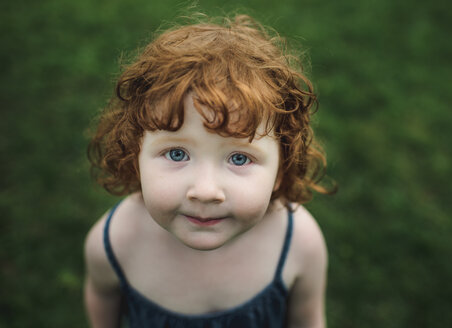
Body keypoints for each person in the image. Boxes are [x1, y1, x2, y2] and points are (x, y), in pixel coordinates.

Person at [84, 14, 333, 328]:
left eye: (239, 159)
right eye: (177, 153)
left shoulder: (298, 241)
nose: (204, 190)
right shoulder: (115, 242)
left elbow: (308, 320)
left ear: (280, 171)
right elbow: (102, 297)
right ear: (136, 156)